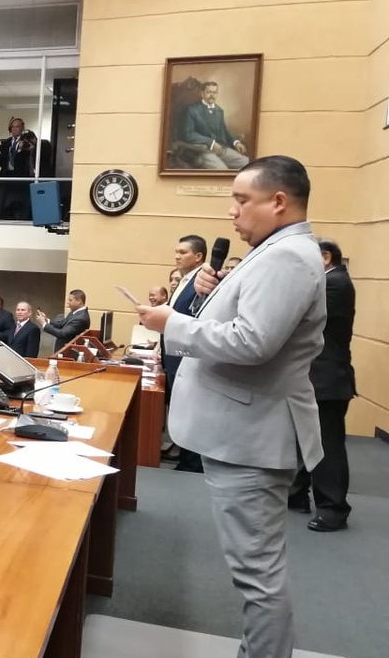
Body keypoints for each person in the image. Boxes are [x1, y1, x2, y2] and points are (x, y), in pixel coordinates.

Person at [136, 155, 325, 658]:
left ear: (278, 201)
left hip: (251, 435)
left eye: (242, 200)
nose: (232, 212)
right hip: (244, 429)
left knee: (257, 574)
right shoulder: (275, 251)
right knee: (254, 570)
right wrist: (211, 296)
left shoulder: (287, 256)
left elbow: (252, 343)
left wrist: (170, 323)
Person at [288, 239, 356, 532]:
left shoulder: (335, 283)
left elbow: (297, 310)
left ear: (325, 258)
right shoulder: (330, 281)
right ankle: (296, 494)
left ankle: (333, 508)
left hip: (327, 378)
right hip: (316, 376)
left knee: (327, 444)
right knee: (303, 439)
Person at [162, 234, 208, 469]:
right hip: (174, 354)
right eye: (176, 252)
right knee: (179, 407)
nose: (177, 256)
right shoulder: (184, 280)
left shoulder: (201, 281)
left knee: (190, 410)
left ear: (198, 256)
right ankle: (184, 455)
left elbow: (193, 318)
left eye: (183, 252)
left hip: (186, 355)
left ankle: (192, 461)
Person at [180, 81, 250, 170]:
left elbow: (224, 131)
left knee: (247, 163)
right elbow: (188, 134)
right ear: (202, 94)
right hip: (203, 151)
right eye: (209, 92)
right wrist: (211, 143)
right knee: (222, 171)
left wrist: (236, 142)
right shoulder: (192, 110)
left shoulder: (219, 111)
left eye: (214, 92)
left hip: (221, 149)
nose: (212, 95)